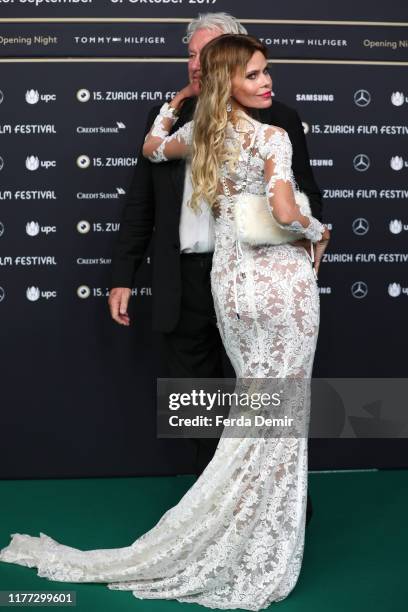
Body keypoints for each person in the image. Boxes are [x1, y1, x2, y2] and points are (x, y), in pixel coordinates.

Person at [0, 35, 330, 610]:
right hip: (273, 285)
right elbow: (283, 209)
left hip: (231, 285)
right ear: (228, 80)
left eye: (265, 73)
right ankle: (242, 528)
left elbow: (153, 148)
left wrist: (173, 107)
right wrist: (314, 230)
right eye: (253, 74)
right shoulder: (267, 135)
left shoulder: (202, 133)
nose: (265, 82)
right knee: (276, 407)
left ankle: (240, 521)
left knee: (261, 406)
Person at [109, 12, 322, 525]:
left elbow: (302, 192)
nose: (199, 66)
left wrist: (311, 239)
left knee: (264, 393)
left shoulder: (278, 120)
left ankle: (276, 504)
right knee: (198, 401)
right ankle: (214, 508)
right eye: (193, 56)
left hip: (254, 271)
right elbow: (141, 201)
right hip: (185, 279)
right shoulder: (182, 121)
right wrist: (124, 273)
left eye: (212, 55)